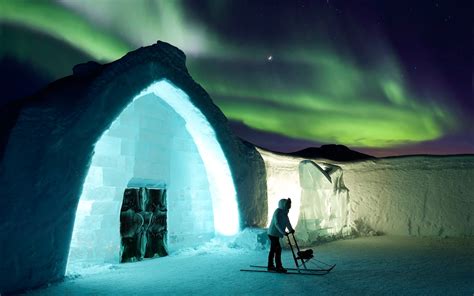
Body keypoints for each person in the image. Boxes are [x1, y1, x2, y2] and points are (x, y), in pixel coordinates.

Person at [267, 198, 294, 273]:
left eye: (289, 204)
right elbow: (276, 223)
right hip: (272, 234)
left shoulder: (285, 212)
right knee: (277, 249)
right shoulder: (278, 212)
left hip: (276, 234)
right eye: (288, 204)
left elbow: (287, 222)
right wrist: (283, 232)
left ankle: (270, 266)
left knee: (274, 250)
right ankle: (277, 267)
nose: (289, 206)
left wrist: (291, 229)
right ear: (283, 205)